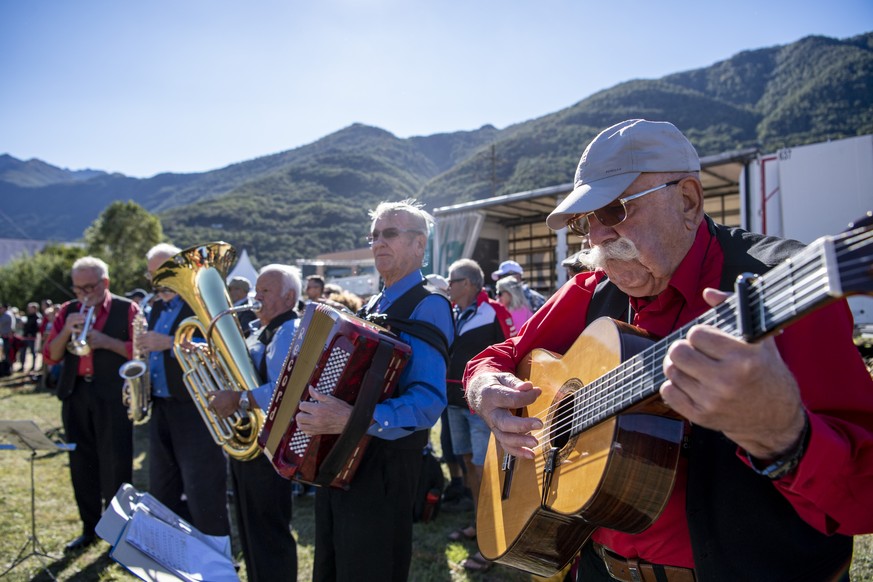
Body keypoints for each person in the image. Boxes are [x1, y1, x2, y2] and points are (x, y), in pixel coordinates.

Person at [464, 119, 873, 581]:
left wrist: (785, 437)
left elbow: (865, 499)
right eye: (585, 221)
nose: (596, 236)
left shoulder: (785, 291)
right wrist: (483, 388)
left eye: (615, 210)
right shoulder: (591, 291)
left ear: (688, 201)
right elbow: (501, 354)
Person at [297, 199, 454, 582]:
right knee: (332, 568)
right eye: (374, 235)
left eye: (391, 234)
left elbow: (428, 402)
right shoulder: (371, 305)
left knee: (370, 570)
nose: (378, 242)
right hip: (342, 458)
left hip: (385, 466)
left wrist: (354, 419)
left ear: (420, 246)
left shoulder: (428, 305)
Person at [209, 264, 301, 581]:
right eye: (255, 290)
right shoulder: (262, 329)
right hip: (252, 443)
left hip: (270, 447)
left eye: (265, 291)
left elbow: (286, 388)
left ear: (289, 297)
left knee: (268, 531)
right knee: (251, 527)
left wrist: (238, 399)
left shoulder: (289, 330)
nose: (254, 297)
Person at [42, 256, 140, 552]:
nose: (83, 295)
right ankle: (89, 527)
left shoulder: (127, 309)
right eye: (77, 289)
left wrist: (106, 341)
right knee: (81, 464)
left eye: (89, 287)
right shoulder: (68, 310)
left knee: (116, 463)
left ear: (105, 283)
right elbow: (51, 356)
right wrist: (65, 331)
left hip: (113, 396)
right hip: (76, 395)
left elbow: (141, 353)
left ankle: (118, 533)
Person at [137, 243, 230, 537]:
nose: (156, 281)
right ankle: (170, 555)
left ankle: (217, 561)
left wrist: (167, 344)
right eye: (152, 274)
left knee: (203, 490)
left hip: (196, 409)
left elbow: (223, 350)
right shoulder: (155, 308)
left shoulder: (200, 303)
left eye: (162, 272)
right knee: (162, 487)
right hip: (162, 407)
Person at [444, 258, 514, 572]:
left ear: (470, 284)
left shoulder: (494, 311)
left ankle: (495, 539)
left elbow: (514, 349)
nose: (448, 286)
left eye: (453, 280)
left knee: (486, 470)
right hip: (454, 402)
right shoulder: (453, 313)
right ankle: (478, 523)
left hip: (481, 406)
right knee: (468, 464)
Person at [17, 302, 42, 372]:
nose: (28, 309)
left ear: (35, 309)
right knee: (22, 352)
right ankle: (22, 366)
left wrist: (32, 333)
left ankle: (33, 366)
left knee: (33, 352)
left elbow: (37, 328)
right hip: (25, 337)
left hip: (32, 338)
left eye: (30, 308)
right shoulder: (28, 316)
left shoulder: (38, 317)